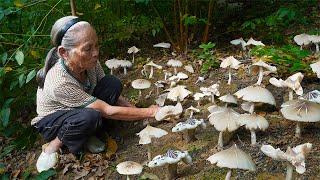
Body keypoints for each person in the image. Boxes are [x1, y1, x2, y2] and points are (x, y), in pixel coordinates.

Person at [32, 16, 159, 172]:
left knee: (112, 83)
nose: (96, 53)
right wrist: (151, 112)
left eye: (96, 46)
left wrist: (137, 112)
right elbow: (106, 110)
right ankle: (54, 145)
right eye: (88, 49)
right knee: (90, 116)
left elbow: (109, 95)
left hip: (85, 106)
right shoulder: (59, 81)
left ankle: (92, 132)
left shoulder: (90, 62)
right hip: (54, 121)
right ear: (64, 53)